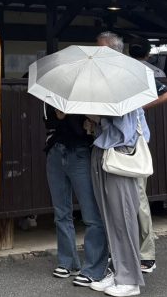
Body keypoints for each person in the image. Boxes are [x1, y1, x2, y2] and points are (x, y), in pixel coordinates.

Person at [98, 31, 167, 275]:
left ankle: (146, 255)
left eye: (100, 48)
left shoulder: (133, 71)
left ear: (114, 50)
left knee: (137, 200)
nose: (97, 52)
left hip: (132, 144)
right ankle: (122, 251)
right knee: (118, 203)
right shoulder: (104, 75)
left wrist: (137, 106)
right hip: (111, 142)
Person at [44, 103, 109, 286]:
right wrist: (59, 116)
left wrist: (69, 115)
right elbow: (48, 122)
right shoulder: (52, 95)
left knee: (91, 215)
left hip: (81, 152)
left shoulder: (87, 93)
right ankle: (68, 262)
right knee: (61, 213)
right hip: (55, 151)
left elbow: (85, 129)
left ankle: (94, 268)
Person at [88, 105, 149, 296]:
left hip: (120, 154)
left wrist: (99, 119)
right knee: (110, 218)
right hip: (105, 154)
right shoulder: (109, 97)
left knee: (123, 217)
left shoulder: (124, 98)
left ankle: (130, 280)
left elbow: (124, 132)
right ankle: (118, 272)